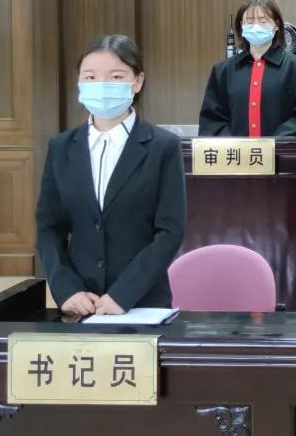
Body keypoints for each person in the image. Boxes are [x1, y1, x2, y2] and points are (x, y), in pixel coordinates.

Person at [36, 35, 186, 316]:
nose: (102, 85)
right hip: (81, 303)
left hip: (141, 302)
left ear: (137, 81)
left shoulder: (162, 146)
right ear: (79, 83)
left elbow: (170, 231)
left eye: (116, 76)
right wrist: (66, 289)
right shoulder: (61, 147)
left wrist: (123, 294)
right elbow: (48, 227)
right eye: (90, 77)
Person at [198, 0, 296, 137]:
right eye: (249, 21)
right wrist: (236, 146)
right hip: (234, 150)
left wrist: (270, 145)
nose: (256, 26)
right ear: (241, 26)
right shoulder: (222, 71)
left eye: (263, 21)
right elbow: (212, 121)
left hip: (281, 149)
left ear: (276, 24)